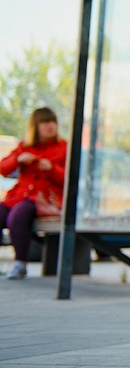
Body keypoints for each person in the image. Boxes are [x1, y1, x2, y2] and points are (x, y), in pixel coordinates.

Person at [1, 107, 69, 280]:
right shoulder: (25, 147)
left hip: (44, 198)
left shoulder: (63, 147)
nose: (50, 126)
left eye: (52, 122)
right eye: (45, 122)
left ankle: (20, 264)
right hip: (18, 196)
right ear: (36, 126)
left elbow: (69, 179)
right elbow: (3, 168)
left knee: (18, 216)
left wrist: (51, 168)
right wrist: (18, 159)